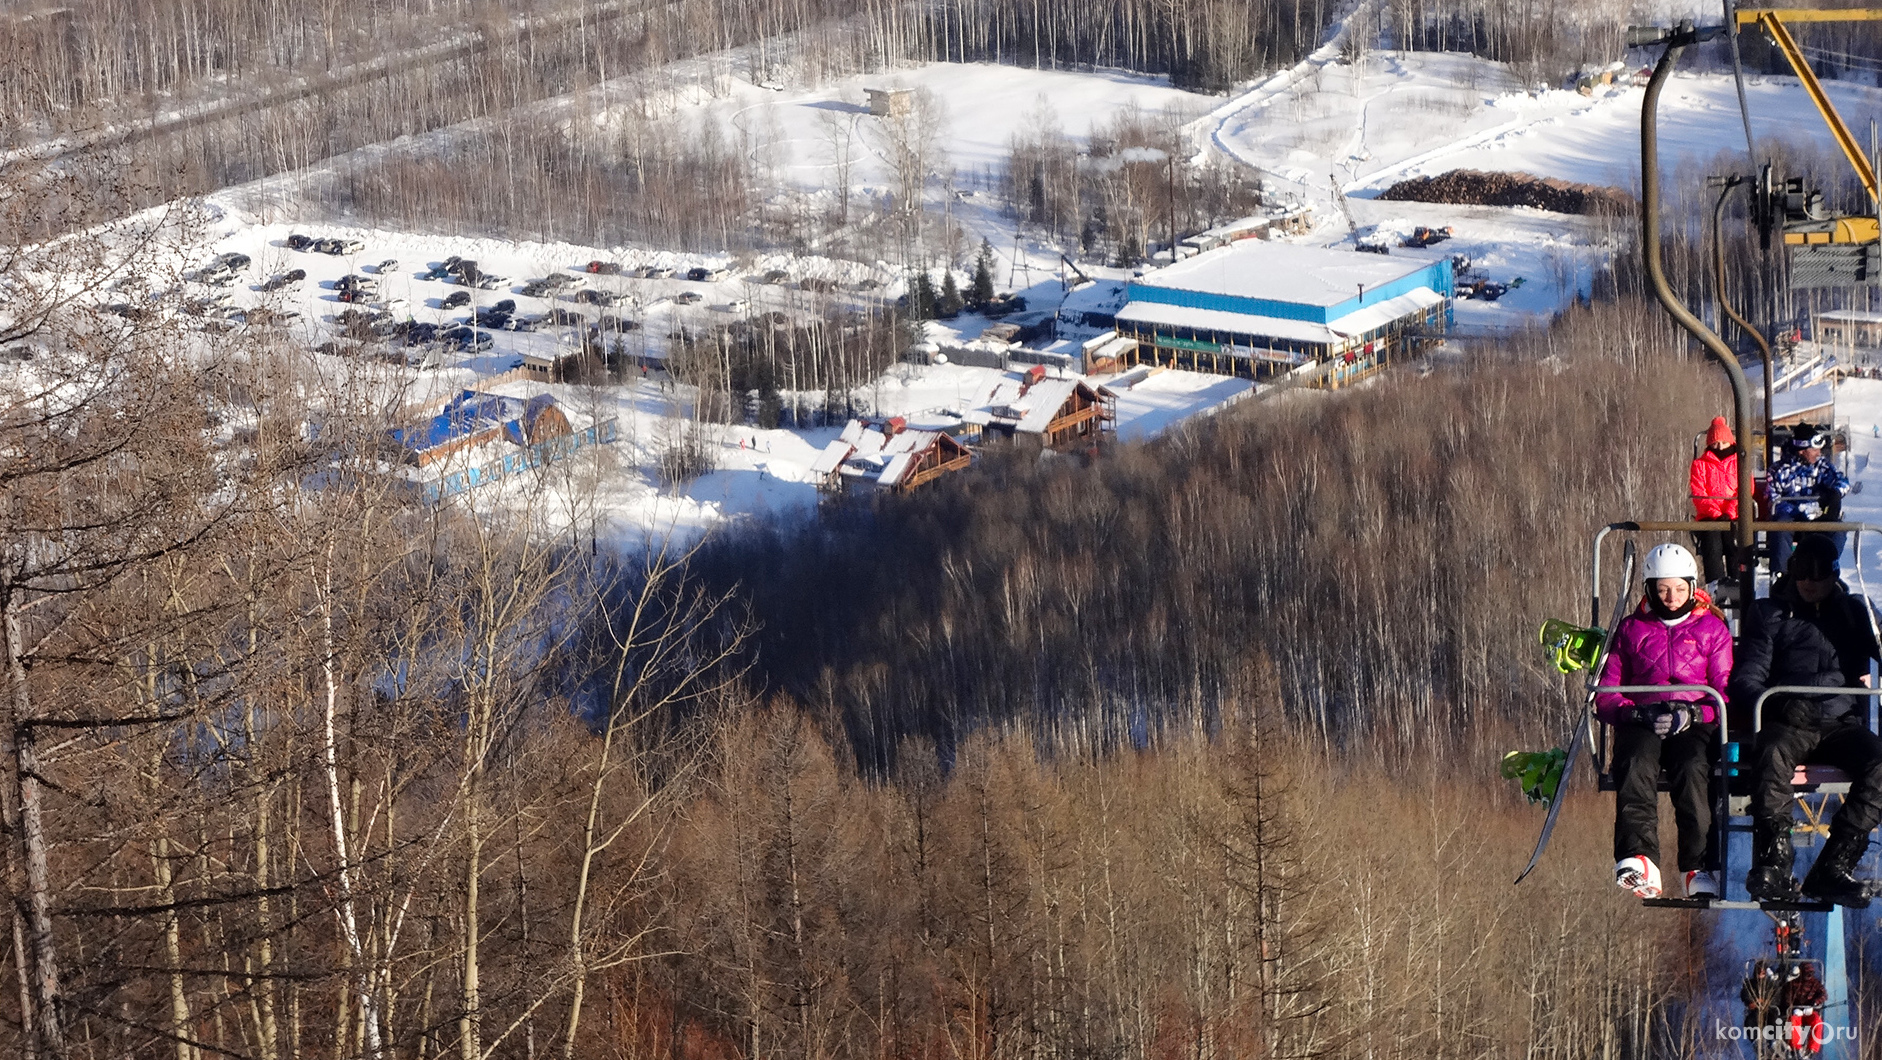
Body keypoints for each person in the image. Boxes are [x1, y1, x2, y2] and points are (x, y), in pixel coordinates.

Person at [1734, 536, 1882, 906]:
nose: (1808, 583)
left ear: (1833, 575)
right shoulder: (1771, 615)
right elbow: (1747, 677)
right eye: (1801, 574)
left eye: (1817, 575)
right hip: (1789, 720)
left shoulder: (1853, 613)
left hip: (1839, 722)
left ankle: (1834, 865)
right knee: (1770, 754)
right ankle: (1775, 859)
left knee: (1880, 765)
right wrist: (1776, 706)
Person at [1595, 543, 1733, 899]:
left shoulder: (1711, 630)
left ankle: (1697, 866)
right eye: (1663, 590)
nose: (1672, 598)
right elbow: (1607, 692)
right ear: (1649, 589)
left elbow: (1725, 691)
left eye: (1680, 589)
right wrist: (1634, 711)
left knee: (1692, 769)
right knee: (1634, 762)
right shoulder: (1630, 630)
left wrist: (1693, 713)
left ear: (1692, 587)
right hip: (1643, 717)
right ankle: (1639, 858)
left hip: (1693, 719)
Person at [1767, 426, 1849, 576]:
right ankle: (1782, 575)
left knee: (1839, 529)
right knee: (1780, 526)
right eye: (1814, 449)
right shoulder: (1779, 470)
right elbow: (1772, 499)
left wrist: (1835, 492)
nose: (1819, 453)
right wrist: (1800, 510)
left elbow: (1842, 482)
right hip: (1791, 519)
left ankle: (1827, 571)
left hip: (1817, 517)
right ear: (1802, 450)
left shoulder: (1822, 467)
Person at [1689, 415, 1739, 585]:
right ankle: (1715, 584)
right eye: (1715, 443)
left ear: (1730, 442)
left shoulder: (1739, 463)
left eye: (1723, 442)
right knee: (1712, 542)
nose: (1719, 447)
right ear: (1709, 444)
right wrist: (1716, 513)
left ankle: (1739, 581)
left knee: (1736, 540)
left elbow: (1745, 489)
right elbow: (1699, 493)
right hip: (1710, 515)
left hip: (1734, 514)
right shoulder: (1700, 465)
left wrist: (1730, 511)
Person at [1784, 963, 1827, 1055]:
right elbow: (1787, 997)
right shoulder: (1794, 983)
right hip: (1796, 1011)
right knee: (1793, 1022)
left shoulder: (1816, 984)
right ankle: (1795, 1048)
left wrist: (1814, 1003)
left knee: (1817, 1022)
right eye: (1807, 973)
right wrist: (1793, 1008)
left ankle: (1812, 1049)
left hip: (1809, 1011)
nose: (1809, 976)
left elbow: (1824, 995)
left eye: (1810, 973)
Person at [1741, 960, 1781, 1036]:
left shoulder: (1771, 984)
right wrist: (1751, 1002)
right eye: (1758, 972)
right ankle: (1755, 1040)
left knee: (1775, 1021)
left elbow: (1776, 998)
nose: (1760, 974)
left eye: (1762, 972)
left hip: (1769, 1009)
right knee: (1750, 1021)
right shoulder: (1750, 984)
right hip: (1755, 1010)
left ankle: (1773, 1040)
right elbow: (1745, 995)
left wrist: (1764, 1001)